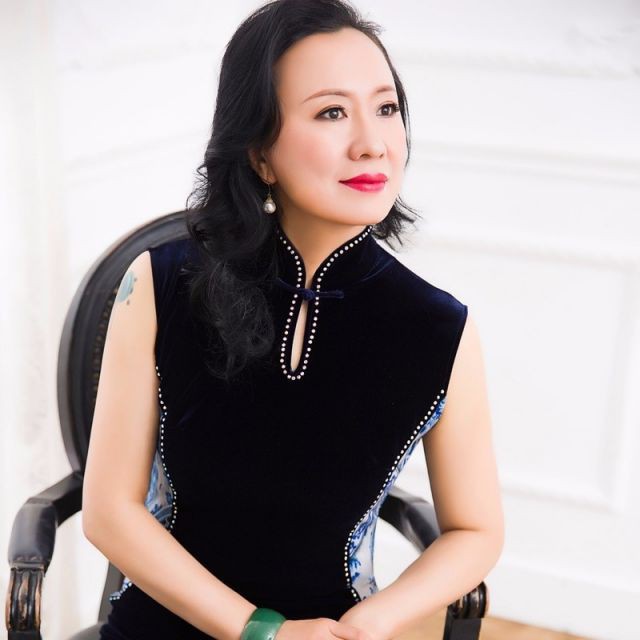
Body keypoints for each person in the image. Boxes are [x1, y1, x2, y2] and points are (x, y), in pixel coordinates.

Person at [82, 0, 504, 639]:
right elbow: (109, 513)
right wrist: (261, 631)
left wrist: (368, 623)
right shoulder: (161, 283)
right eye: (332, 112)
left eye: (386, 108)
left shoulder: (440, 328)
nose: (372, 143)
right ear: (259, 152)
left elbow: (476, 529)